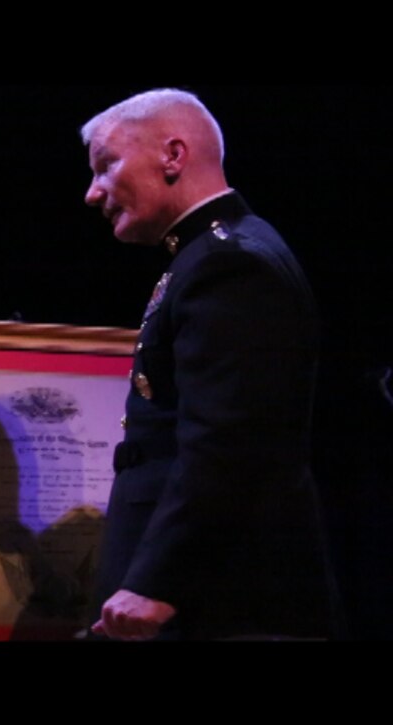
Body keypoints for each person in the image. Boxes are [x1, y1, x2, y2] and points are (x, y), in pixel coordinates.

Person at [80, 88, 339, 640]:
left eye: (106, 166)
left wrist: (157, 581)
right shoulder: (208, 256)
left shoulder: (229, 265)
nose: (92, 192)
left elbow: (228, 442)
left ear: (173, 156)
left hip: (216, 603)